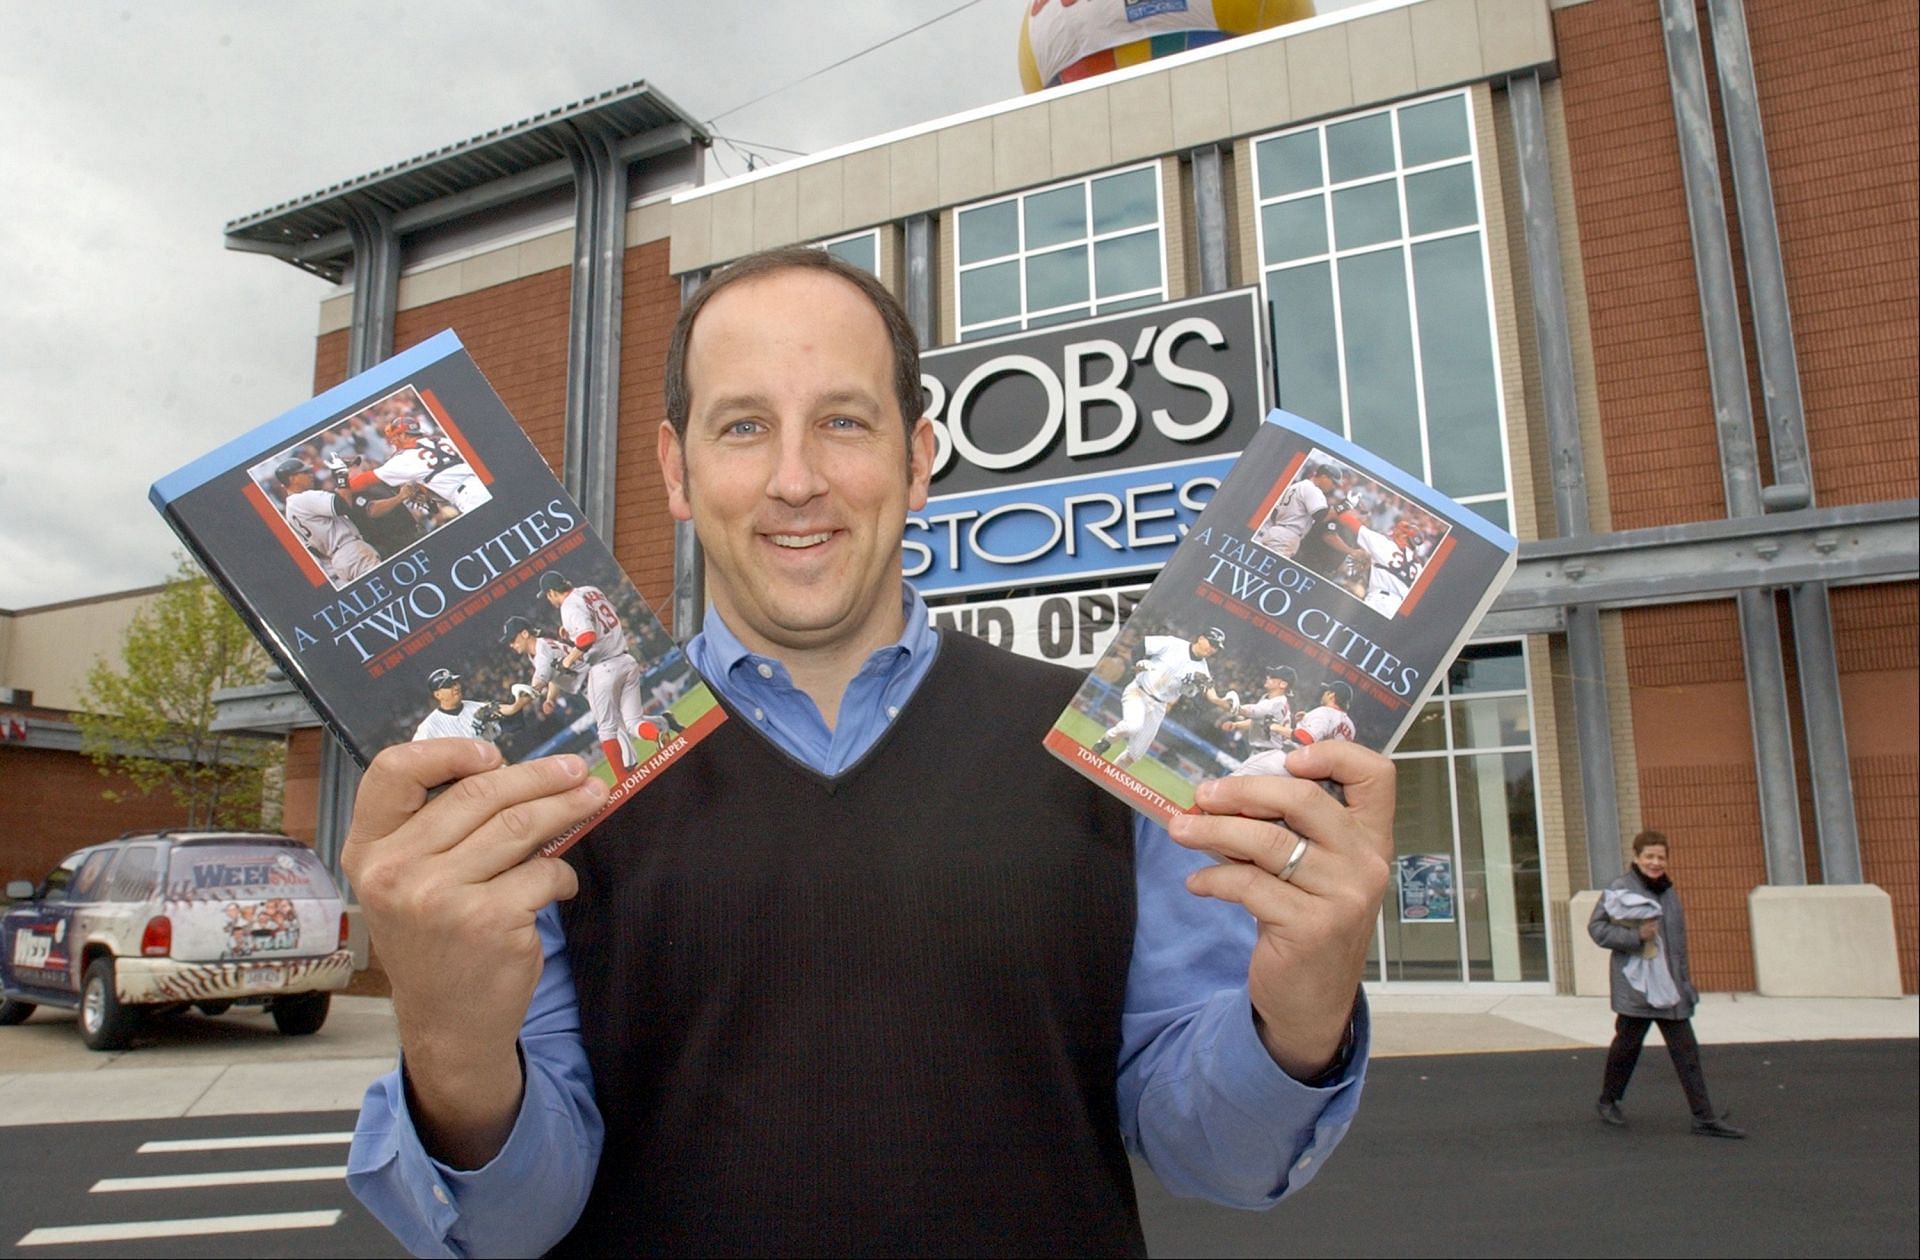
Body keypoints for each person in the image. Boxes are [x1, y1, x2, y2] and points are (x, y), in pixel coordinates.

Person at [341, 246, 1396, 1255]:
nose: (796, 479)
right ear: (677, 467)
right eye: (744, 426)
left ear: (918, 458)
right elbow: (514, 1222)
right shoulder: (553, 782)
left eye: (843, 420)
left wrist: (1299, 1012)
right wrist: (447, 1038)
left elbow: (1215, 1156)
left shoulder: (1106, 746)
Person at [1588, 830, 1745, 1138]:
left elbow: (1676, 945)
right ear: (1636, 857)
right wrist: (1635, 937)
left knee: (1686, 1051)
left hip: (1670, 990)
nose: (1655, 862)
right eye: (1649, 856)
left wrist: (1684, 984)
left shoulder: (1668, 891)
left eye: (1661, 857)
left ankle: (1703, 1116)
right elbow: (1597, 929)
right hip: (1639, 989)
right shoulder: (1620, 889)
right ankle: (1608, 1100)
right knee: (1627, 1047)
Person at [538, 571, 658, 773]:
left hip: (604, 667)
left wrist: (567, 660)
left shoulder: (568, 606)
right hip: (626, 659)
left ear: (551, 592)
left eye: (547, 595)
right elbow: (600, 622)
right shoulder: (590, 590)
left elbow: (587, 637)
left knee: (606, 730)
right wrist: (570, 634)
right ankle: (658, 736)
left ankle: (623, 780)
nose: (548, 599)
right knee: (632, 722)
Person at [1096, 626, 1225, 769]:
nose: (1212, 649)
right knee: (1132, 726)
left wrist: (1197, 693)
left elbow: (1202, 698)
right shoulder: (1174, 644)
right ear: (1201, 638)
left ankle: (1108, 774)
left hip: (1159, 706)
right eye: (1211, 643)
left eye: (1216, 647)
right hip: (1140, 691)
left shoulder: (1203, 670)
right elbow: (1142, 645)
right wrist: (1136, 666)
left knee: (1134, 754)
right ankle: (1104, 742)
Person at [410, 667, 534, 743]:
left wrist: (519, 699)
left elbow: (511, 719)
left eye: (455, 682)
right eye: (448, 685)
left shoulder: (474, 707)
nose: (456, 687)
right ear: (438, 695)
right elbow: (416, 757)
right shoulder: (429, 726)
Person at [1252, 463, 1337, 557]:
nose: (1333, 486)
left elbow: (1274, 514)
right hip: (1287, 536)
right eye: (1333, 482)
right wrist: (1343, 507)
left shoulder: (1297, 486)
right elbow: (1320, 516)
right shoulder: (1313, 490)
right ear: (1324, 477)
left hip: (1275, 531)